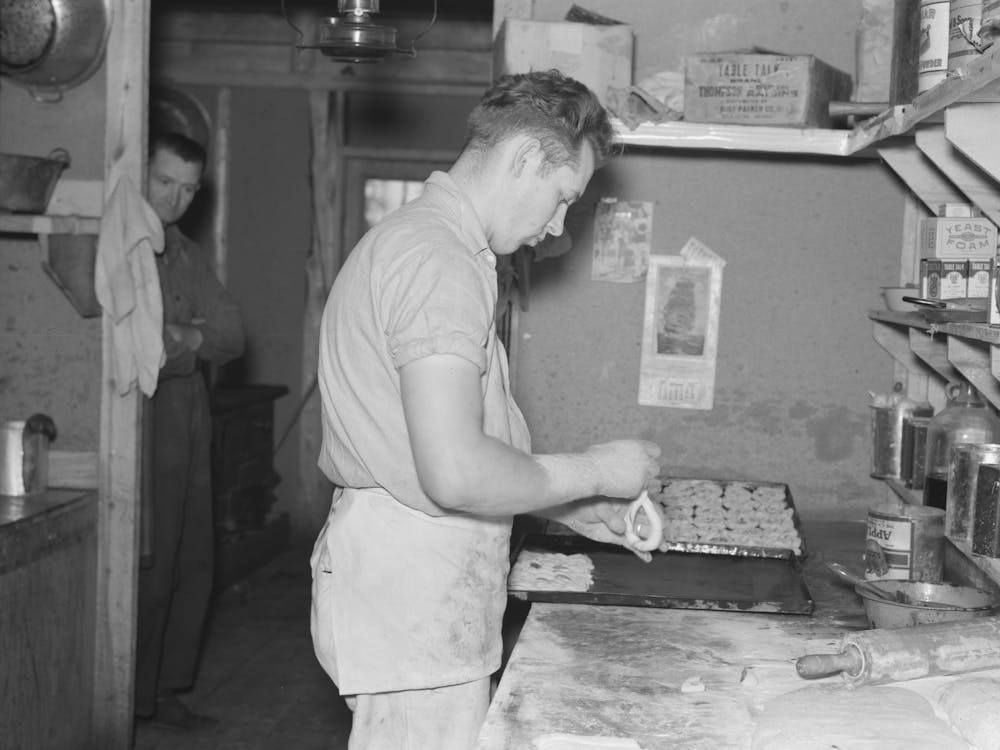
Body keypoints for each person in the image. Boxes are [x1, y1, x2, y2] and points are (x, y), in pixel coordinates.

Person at [310, 69, 661, 748]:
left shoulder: (438, 247)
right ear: (525, 157)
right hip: (411, 600)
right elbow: (456, 472)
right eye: (562, 198)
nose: (557, 226)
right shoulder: (437, 259)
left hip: (416, 587)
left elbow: (450, 456)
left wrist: (565, 507)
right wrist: (594, 472)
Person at [134, 131, 245, 731]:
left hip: (189, 421)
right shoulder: (123, 251)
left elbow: (232, 335)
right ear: (140, 175)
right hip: (141, 423)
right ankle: (128, 693)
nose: (175, 200)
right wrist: (185, 341)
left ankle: (166, 688)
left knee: (191, 558)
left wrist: (184, 336)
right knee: (148, 563)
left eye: (188, 188)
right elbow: (144, 353)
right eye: (164, 182)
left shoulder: (186, 253)